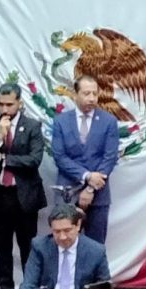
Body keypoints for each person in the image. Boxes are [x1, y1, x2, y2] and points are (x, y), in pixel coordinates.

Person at [0, 83, 46, 289]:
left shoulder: (32, 126)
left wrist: (5, 159)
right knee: (2, 248)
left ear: (19, 103)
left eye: (9, 104)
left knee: (28, 247)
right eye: (1, 104)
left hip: (24, 196)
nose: (4, 109)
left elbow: (34, 160)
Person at [51, 75, 120, 244]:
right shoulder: (61, 121)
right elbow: (59, 157)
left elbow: (110, 157)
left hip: (98, 195)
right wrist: (87, 176)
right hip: (67, 193)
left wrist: (90, 188)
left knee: (96, 246)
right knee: (65, 242)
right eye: (86, 93)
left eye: (95, 94)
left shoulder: (109, 122)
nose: (91, 98)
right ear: (75, 94)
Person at [20, 204, 111, 289]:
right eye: (57, 231)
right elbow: (28, 286)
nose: (62, 237)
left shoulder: (96, 251)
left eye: (67, 230)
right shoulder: (40, 247)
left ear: (78, 225)